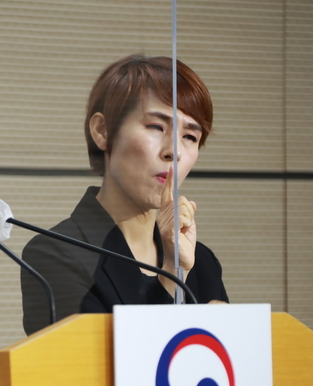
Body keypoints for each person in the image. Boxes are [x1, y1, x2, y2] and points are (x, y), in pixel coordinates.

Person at [21, 55, 228, 335]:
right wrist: (172, 272)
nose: (175, 151)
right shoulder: (56, 254)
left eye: (190, 137)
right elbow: (95, 361)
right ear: (103, 130)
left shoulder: (201, 261)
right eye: (156, 127)